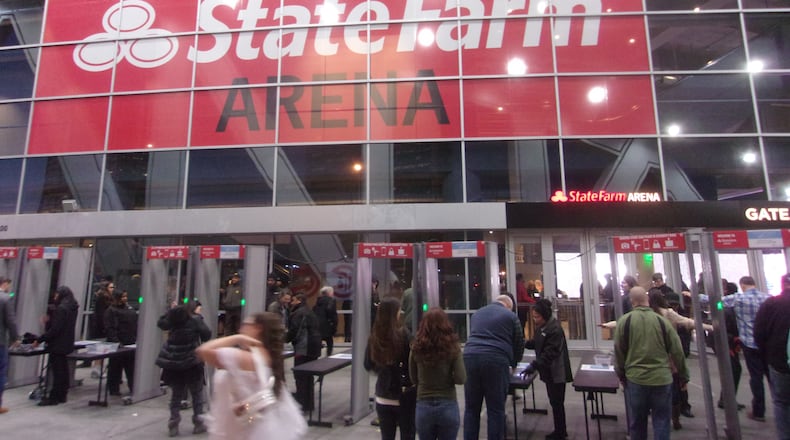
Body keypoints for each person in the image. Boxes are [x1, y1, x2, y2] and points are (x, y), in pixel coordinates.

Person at [196, 312, 307, 440]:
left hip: (242, 429)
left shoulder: (244, 358)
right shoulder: (268, 356)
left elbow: (203, 351)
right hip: (257, 427)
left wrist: (236, 338)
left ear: (258, 328)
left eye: (246, 325)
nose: (241, 329)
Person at [614, 286, 688, 440]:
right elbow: (677, 351)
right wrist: (683, 375)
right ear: (647, 300)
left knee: (638, 423)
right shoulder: (662, 322)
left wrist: (621, 373)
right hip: (662, 379)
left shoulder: (624, 322)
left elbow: (619, 351)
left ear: (632, 302)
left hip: (636, 379)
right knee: (661, 422)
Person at [695, 275, 771, 421]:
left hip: (749, 343)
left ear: (742, 285)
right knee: (771, 376)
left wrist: (694, 295)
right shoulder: (767, 298)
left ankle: (759, 411)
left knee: (756, 378)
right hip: (766, 343)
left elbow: (716, 301)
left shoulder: (739, 299)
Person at [463, 294, 524, 440]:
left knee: (471, 409)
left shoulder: (477, 313)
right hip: (496, 360)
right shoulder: (510, 316)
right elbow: (519, 343)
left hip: (470, 358)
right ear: (509, 306)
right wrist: (514, 363)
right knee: (495, 409)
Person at [409, 307, 465, 440]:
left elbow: (413, 378)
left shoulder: (416, 348)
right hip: (448, 404)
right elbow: (461, 378)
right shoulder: (453, 347)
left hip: (423, 405)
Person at [157, 302, 212, 436]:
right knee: (197, 394)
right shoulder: (196, 320)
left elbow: (161, 323)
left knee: (176, 394)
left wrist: (170, 311)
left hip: (174, 363)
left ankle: (173, 423)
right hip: (191, 362)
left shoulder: (173, 319)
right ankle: (198, 423)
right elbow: (206, 335)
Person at [364, 296, 415, 440]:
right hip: (404, 395)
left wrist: (383, 369)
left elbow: (367, 364)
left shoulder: (374, 337)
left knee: (387, 436)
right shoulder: (404, 335)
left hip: (383, 395)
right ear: (395, 313)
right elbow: (411, 363)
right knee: (408, 434)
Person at [521, 299, 572, 440]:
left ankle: (560, 432)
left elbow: (549, 353)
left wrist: (533, 366)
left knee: (557, 402)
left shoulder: (554, 330)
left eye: (537, 317)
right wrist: (524, 343)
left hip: (557, 372)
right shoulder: (543, 327)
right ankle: (560, 429)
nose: (534, 319)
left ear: (544, 315)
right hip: (550, 371)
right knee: (554, 401)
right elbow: (537, 343)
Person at [754, 273, 790, 440]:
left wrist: (766, 356)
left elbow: (759, 334)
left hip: (778, 362)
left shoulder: (771, 303)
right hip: (778, 359)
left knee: (782, 403)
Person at [34, 286, 79, 406]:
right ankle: (62, 395)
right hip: (67, 343)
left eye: (56, 295)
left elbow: (55, 329)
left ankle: (54, 397)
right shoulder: (73, 307)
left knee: (58, 371)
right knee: (63, 370)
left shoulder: (61, 309)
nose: (54, 297)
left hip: (57, 344)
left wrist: (40, 339)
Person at [285, 292, 321, 412]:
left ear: (299, 300)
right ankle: (308, 404)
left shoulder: (298, 313)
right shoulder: (309, 311)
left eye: (293, 300)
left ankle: (302, 404)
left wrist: (283, 339)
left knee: (300, 376)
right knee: (308, 377)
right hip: (314, 348)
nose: (291, 302)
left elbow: (295, 331)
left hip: (303, 348)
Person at [105, 289, 138, 397]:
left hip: (130, 342)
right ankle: (113, 389)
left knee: (131, 368)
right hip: (119, 343)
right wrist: (116, 341)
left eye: (126, 296)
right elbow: (110, 328)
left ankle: (133, 387)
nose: (125, 299)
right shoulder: (111, 311)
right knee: (115, 368)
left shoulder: (128, 308)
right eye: (123, 297)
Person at [0, 277, 20, 414]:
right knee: (1, 372)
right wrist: (16, 338)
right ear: (5, 284)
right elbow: (11, 321)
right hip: (0, 342)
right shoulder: (5, 299)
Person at [89, 281, 113, 377]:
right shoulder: (103, 299)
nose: (113, 289)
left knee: (102, 348)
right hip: (101, 328)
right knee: (101, 348)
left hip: (101, 328)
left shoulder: (105, 299)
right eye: (111, 287)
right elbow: (101, 315)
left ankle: (98, 368)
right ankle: (97, 368)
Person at [314, 286, 338, 357]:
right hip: (327, 324)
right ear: (329, 293)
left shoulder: (318, 301)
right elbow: (332, 314)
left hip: (318, 324)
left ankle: (316, 356)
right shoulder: (331, 301)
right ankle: (328, 356)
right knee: (329, 341)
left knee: (319, 341)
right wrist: (334, 325)